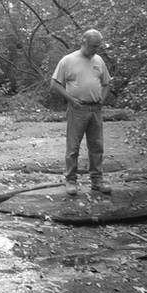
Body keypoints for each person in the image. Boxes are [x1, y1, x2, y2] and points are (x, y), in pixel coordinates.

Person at [50, 29, 112, 195]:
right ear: (83, 41)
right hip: (77, 109)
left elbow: (106, 83)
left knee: (97, 146)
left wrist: (102, 99)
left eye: (98, 46)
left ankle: (97, 181)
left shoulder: (98, 60)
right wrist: (71, 100)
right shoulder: (68, 60)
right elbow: (55, 84)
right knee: (73, 147)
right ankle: (71, 181)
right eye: (93, 46)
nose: (96, 49)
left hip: (95, 109)